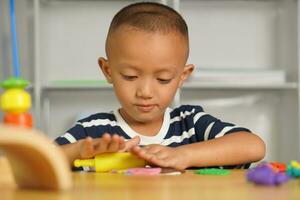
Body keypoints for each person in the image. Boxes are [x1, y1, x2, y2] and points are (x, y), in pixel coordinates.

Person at [55, 2, 265, 171]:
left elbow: (253, 146)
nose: (145, 92)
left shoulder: (190, 124)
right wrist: (78, 151)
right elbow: (34, 162)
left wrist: (183, 155)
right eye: (130, 76)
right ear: (107, 71)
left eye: (163, 79)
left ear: (183, 76)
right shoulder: (93, 132)